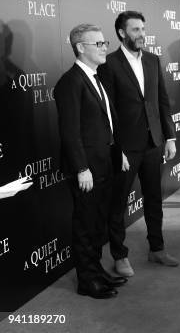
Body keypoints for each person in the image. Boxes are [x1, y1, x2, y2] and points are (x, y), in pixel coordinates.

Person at [98, 11, 179, 277]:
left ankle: (157, 248)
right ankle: (119, 255)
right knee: (118, 203)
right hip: (125, 147)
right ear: (122, 33)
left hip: (154, 143)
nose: (141, 34)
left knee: (154, 198)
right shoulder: (109, 64)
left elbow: (162, 101)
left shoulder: (154, 60)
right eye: (135, 30)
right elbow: (107, 111)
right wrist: (115, 148)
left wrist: (169, 136)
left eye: (143, 28)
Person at [55, 24, 127, 298]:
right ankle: (87, 281)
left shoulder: (97, 78)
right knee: (85, 225)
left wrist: (117, 151)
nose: (104, 47)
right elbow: (69, 132)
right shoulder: (70, 82)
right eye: (97, 43)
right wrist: (81, 168)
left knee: (98, 223)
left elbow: (106, 122)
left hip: (105, 163)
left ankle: (97, 271)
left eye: (104, 42)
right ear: (80, 47)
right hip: (86, 169)